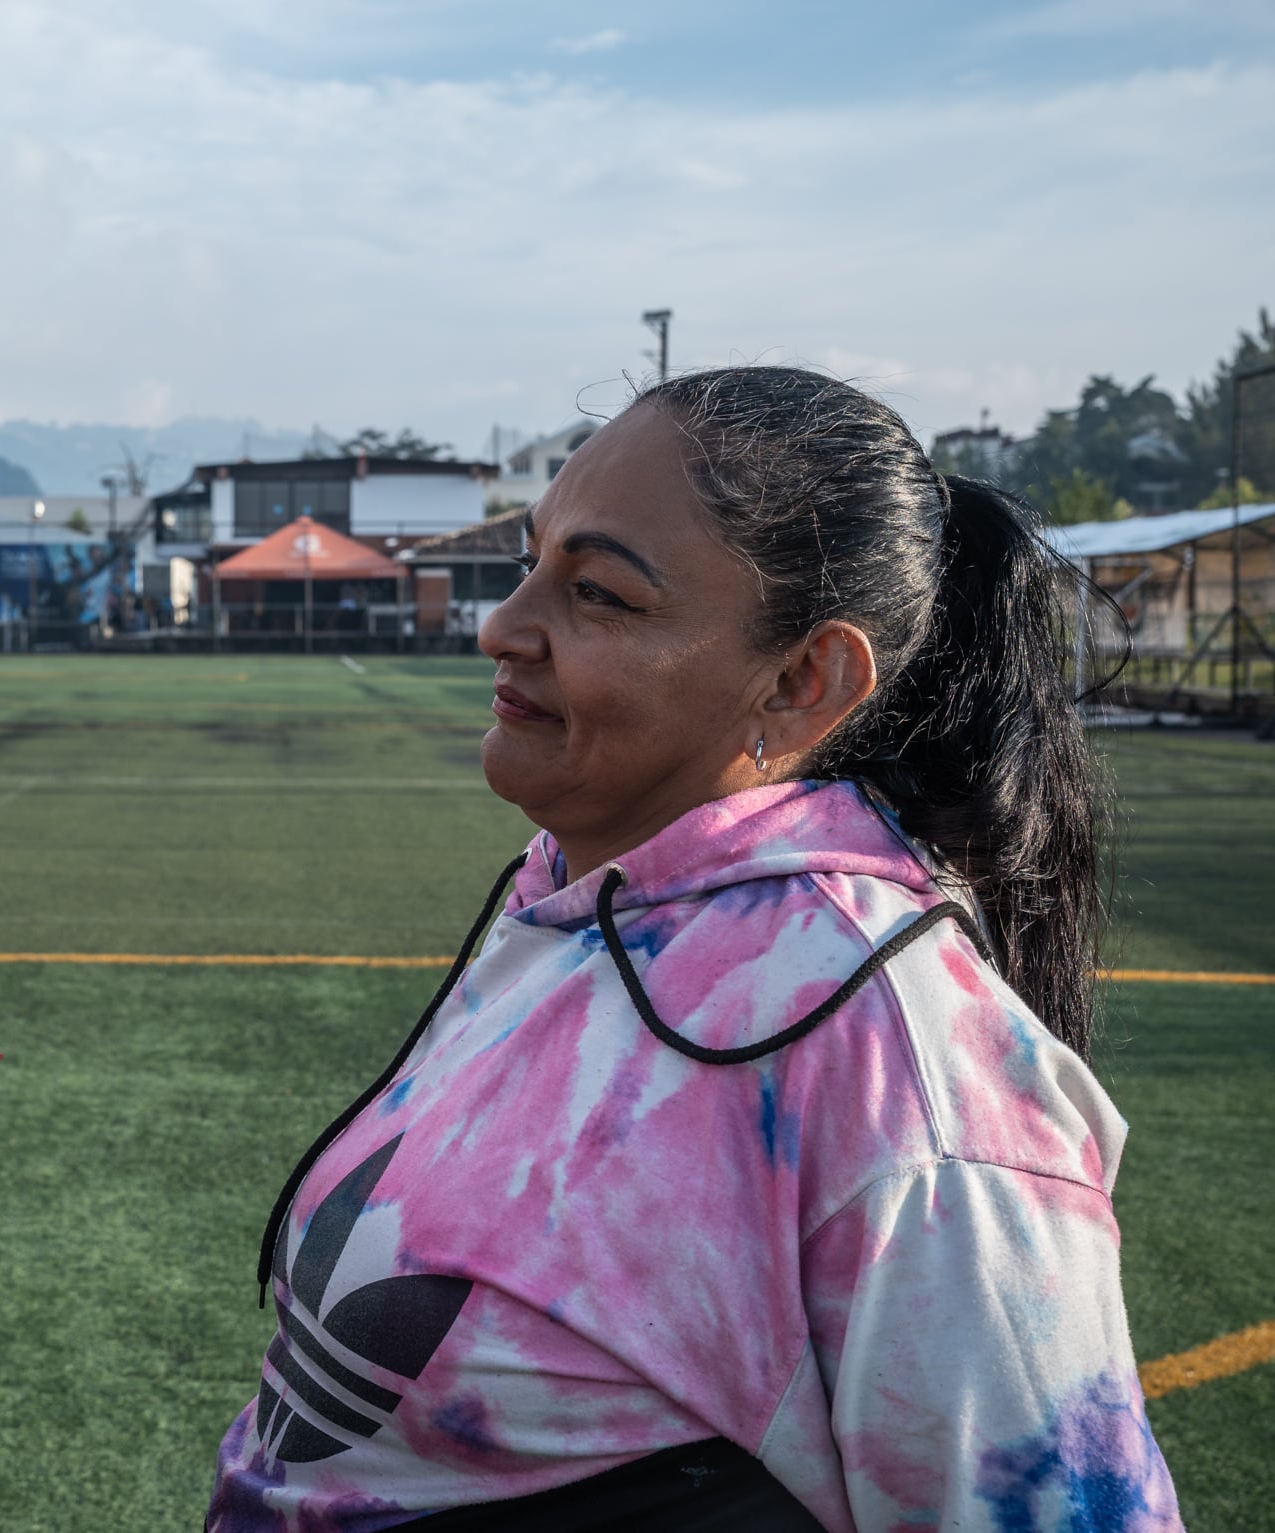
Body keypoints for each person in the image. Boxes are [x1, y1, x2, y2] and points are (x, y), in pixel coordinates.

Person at [211, 366, 1181, 1530]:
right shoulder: (575, 900)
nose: (502, 627)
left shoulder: (894, 1062)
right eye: (531, 564)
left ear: (800, 680)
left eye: (599, 596)